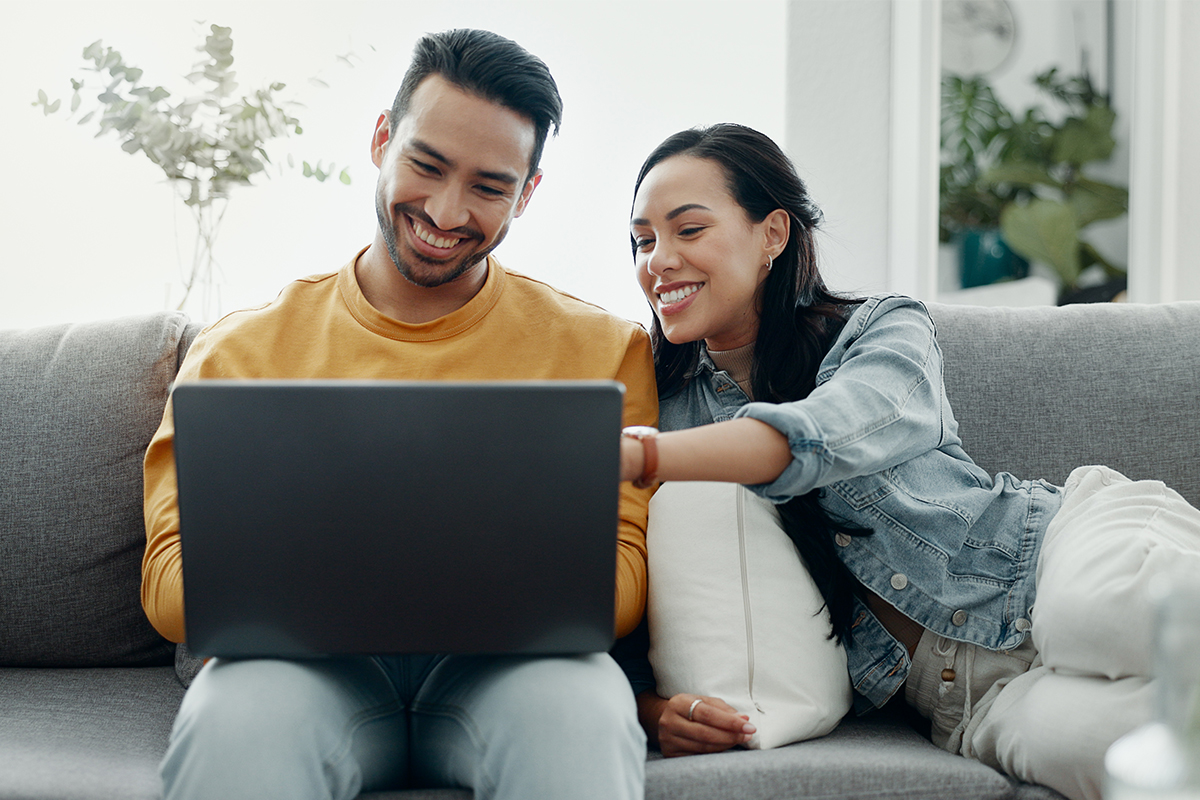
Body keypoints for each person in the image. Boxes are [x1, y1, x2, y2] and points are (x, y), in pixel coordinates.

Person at [614, 122, 1200, 800]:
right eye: (642, 240)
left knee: (1108, 622)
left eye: (687, 230)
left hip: (1051, 554)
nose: (657, 259)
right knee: (1142, 757)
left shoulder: (882, 329)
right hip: (976, 698)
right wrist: (658, 715)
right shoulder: (655, 405)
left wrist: (640, 456)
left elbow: (823, 434)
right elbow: (619, 618)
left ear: (772, 233)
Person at [142, 29, 656, 800]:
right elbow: (171, 588)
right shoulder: (237, 352)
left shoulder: (604, 349)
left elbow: (618, 581)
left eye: (489, 186)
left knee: (581, 715)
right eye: (426, 165)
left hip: (514, 675)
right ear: (382, 139)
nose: (447, 211)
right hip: (302, 675)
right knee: (234, 723)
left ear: (528, 192)